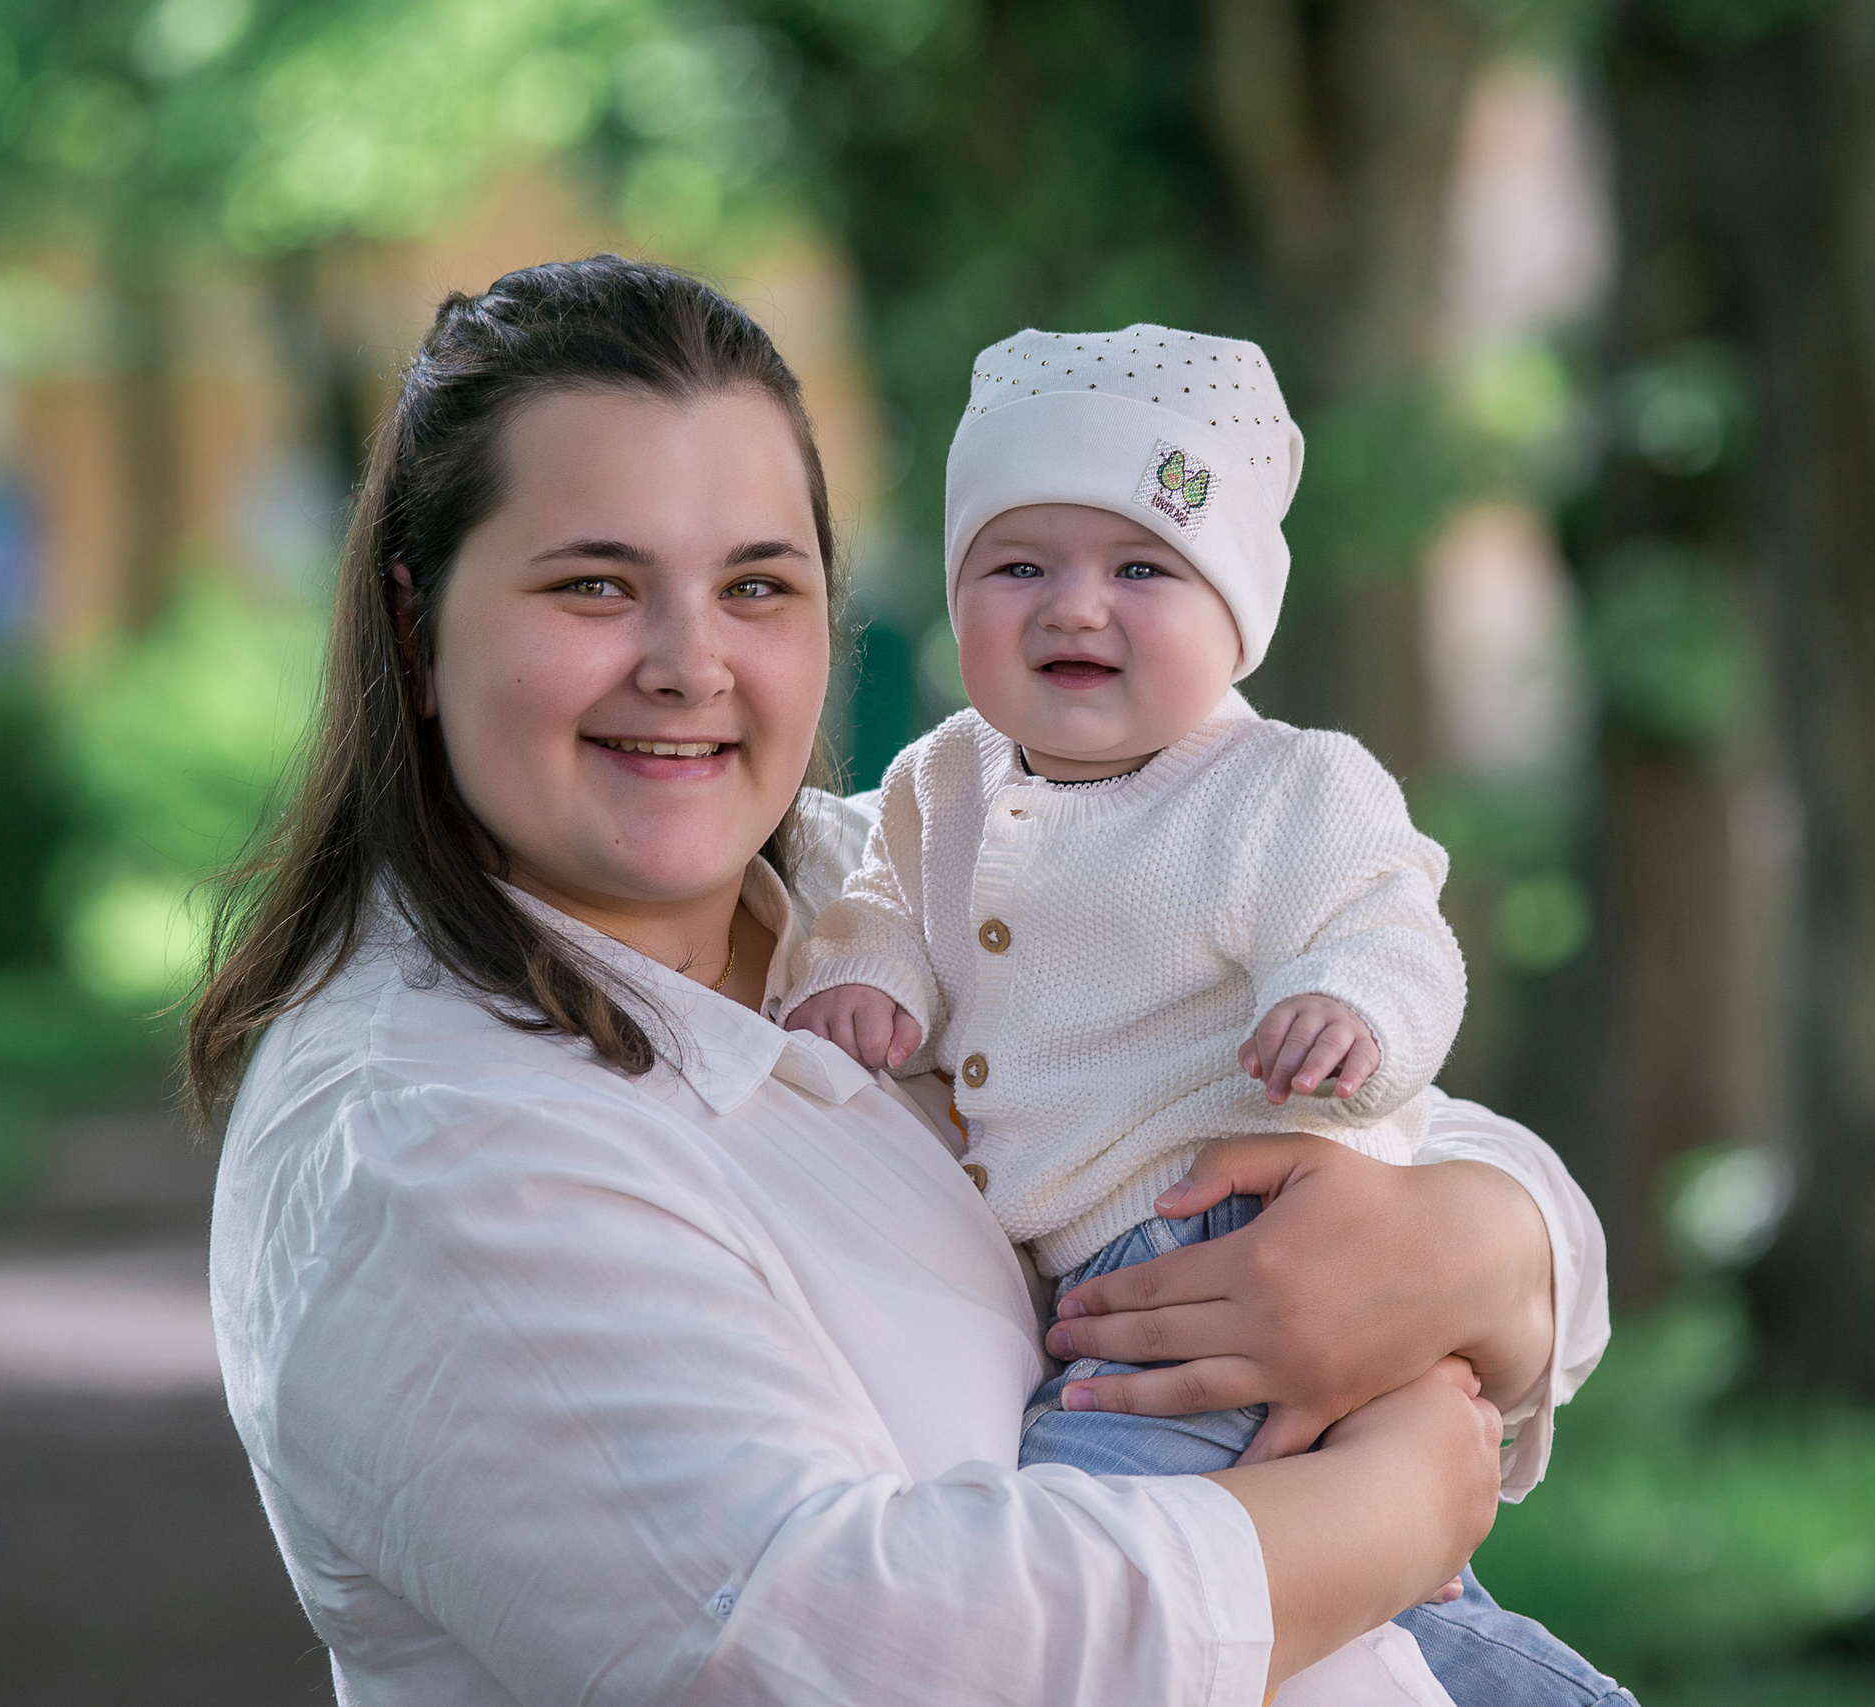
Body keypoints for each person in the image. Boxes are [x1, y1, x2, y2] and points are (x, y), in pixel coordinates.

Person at [192, 255, 1633, 1705]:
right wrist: (1400, 1502)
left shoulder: (885, 880)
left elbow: (1453, 1160)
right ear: (413, 626)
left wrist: (1475, 1254)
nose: (692, 664)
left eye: (758, 584)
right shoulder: (430, 1141)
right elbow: (868, 1660)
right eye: (595, 586)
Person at [783, 324, 1605, 1697]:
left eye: (1143, 568)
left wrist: (1344, 1007)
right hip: (1102, 1269)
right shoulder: (939, 781)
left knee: (1109, 1524)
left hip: (1229, 1237)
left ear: (1239, 618)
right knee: (1340, 1597)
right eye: (1019, 565)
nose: (1075, 607)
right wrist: (865, 976)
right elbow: (881, 899)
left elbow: (1390, 933)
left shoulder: (1283, 790)